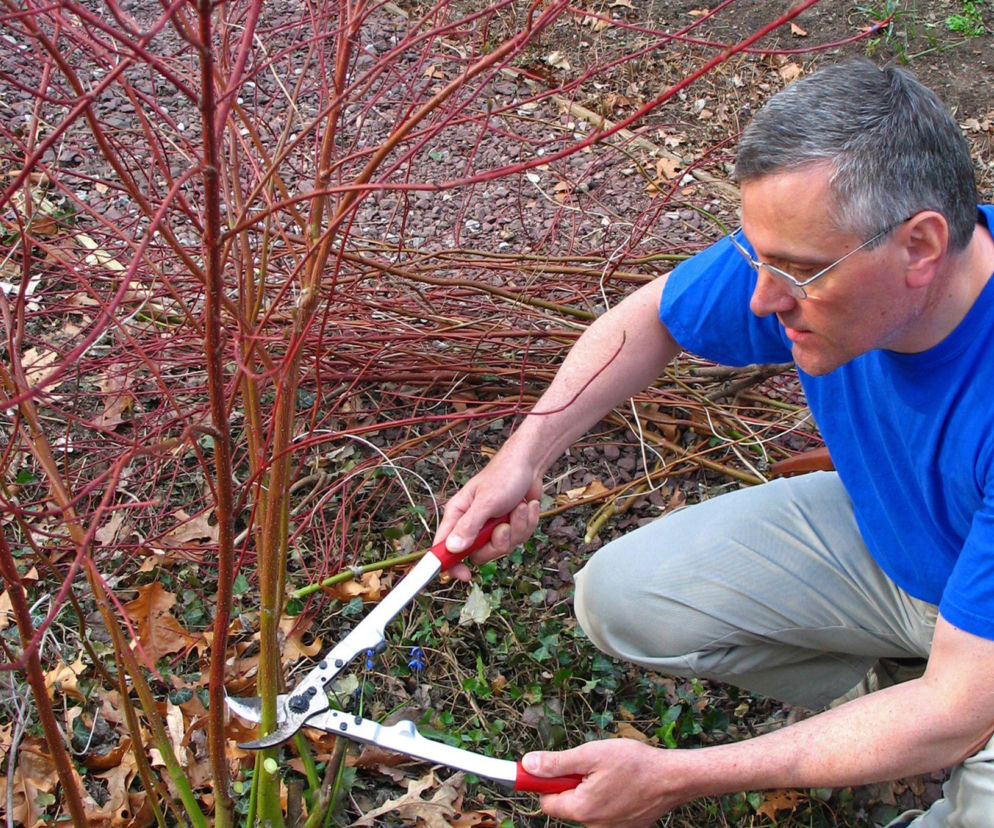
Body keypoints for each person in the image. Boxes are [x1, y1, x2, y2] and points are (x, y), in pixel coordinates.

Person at [432, 58, 994, 828]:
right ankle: (884, 709)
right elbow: (652, 315)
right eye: (757, 258)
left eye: (796, 272)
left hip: (977, 660)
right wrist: (520, 458)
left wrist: (676, 776)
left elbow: (957, 708)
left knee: (957, 735)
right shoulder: (825, 257)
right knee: (626, 599)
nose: (764, 299)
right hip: (910, 550)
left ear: (922, 245)